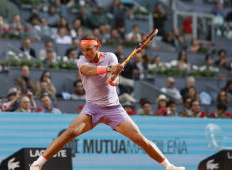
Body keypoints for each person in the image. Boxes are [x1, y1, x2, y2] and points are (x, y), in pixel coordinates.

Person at [30, 34, 185, 170]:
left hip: (114, 109)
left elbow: (113, 80)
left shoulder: (111, 56)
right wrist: (109, 68)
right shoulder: (82, 61)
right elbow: (88, 71)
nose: (86, 53)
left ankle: (169, 167)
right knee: (69, 133)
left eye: (90, 49)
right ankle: (37, 164)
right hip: (92, 108)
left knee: (140, 140)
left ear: (98, 46)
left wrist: (113, 78)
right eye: (84, 50)